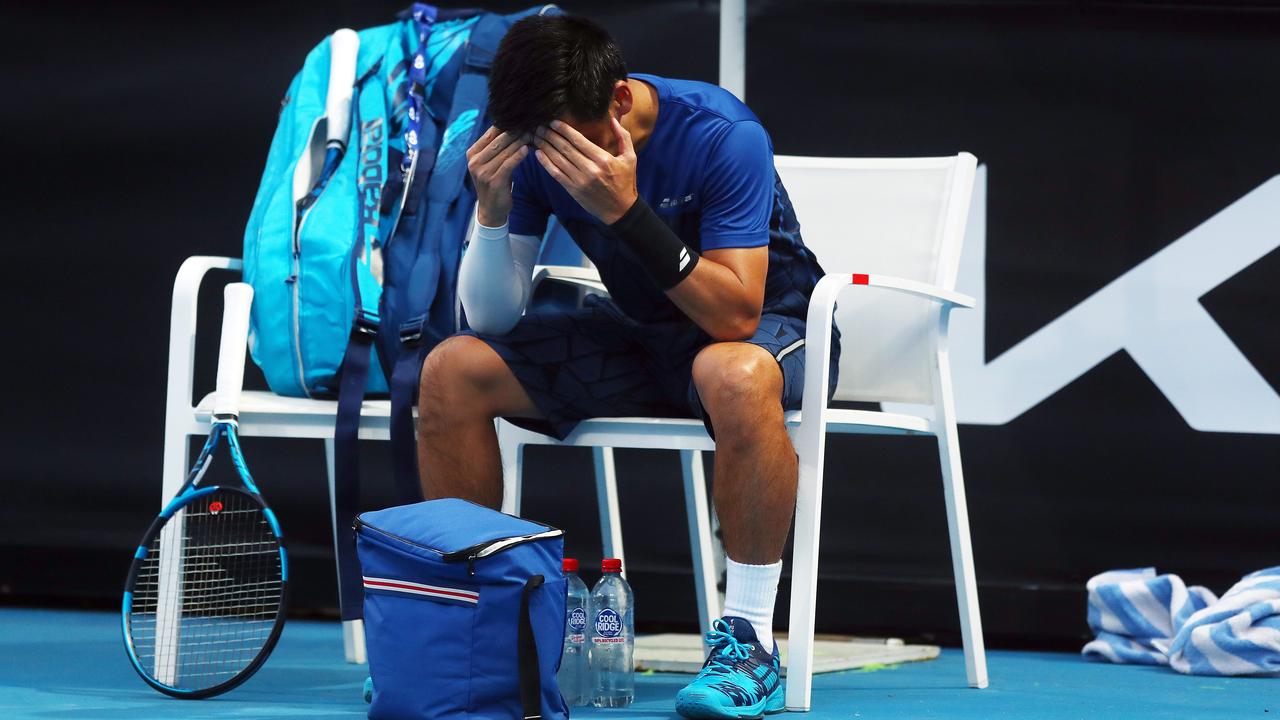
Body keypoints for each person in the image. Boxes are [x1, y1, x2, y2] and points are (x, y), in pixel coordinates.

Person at [417, 13, 838, 719]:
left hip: (770, 327)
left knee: (729, 373)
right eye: (535, 146)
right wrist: (491, 211)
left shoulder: (721, 133)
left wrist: (627, 212)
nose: (552, 162)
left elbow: (735, 314)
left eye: (563, 144)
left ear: (617, 102)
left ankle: (750, 643)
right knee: (453, 369)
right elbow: (489, 318)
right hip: (648, 334)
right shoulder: (533, 141)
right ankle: (477, 637)